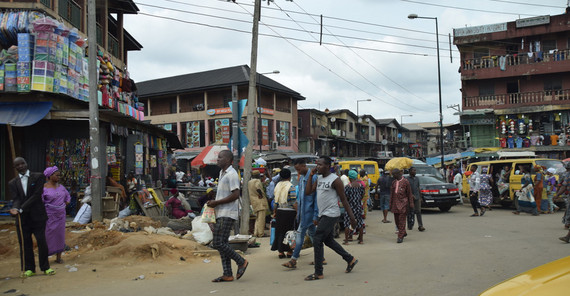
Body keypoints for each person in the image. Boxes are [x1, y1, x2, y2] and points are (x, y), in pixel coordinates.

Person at [304, 156, 358, 281]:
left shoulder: (335, 180)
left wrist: (352, 218)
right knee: (328, 241)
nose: (317, 167)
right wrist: (311, 176)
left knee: (317, 239)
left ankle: (318, 272)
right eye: (317, 164)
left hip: (332, 214)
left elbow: (344, 199)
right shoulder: (318, 178)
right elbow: (308, 192)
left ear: (328, 166)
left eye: (320, 165)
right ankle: (350, 259)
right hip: (323, 214)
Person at [8, 157, 55, 277]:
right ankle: (29, 269)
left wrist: (21, 208)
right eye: (17, 165)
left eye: (22, 163)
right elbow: (16, 199)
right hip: (23, 219)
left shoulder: (38, 177)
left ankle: (45, 267)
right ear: (15, 167)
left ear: (26, 163)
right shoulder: (13, 183)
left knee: (41, 241)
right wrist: (15, 208)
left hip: (38, 216)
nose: (20, 166)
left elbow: (36, 195)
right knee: (25, 243)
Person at [206, 150, 248, 283]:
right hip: (220, 212)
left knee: (218, 243)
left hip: (227, 213)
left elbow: (236, 194)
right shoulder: (222, 173)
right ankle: (227, 274)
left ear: (228, 160)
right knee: (222, 243)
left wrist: (216, 202)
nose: (217, 159)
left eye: (220, 157)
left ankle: (241, 261)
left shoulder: (232, 174)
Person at [282, 158, 318, 269]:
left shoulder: (313, 178)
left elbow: (316, 198)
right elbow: (300, 197)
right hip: (303, 213)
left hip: (309, 213)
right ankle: (320, 257)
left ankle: (293, 260)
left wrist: (315, 215)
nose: (298, 172)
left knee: (299, 236)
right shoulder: (302, 178)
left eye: (298, 169)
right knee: (314, 236)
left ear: (303, 166)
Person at [42, 166, 71, 264]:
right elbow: (41, 202)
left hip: (61, 215)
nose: (59, 177)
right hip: (49, 216)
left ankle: (58, 257)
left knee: (60, 235)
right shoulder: (44, 189)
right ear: (50, 176)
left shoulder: (61, 187)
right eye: (56, 175)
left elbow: (68, 197)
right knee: (48, 235)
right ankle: (45, 256)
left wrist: (63, 205)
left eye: (59, 175)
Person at [271, 168, 297, 258]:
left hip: (279, 211)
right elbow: (294, 202)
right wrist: (298, 212)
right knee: (290, 232)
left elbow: (275, 201)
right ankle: (289, 251)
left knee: (280, 232)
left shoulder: (277, 186)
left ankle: (280, 252)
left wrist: (274, 212)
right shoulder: (291, 186)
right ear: (289, 176)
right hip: (289, 213)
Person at [390, 168, 415, 243]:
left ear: (398, 174)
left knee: (402, 220)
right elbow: (391, 194)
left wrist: (411, 203)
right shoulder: (394, 182)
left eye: (393, 174)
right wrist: (390, 203)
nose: (393, 176)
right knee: (397, 221)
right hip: (395, 204)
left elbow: (409, 193)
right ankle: (403, 232)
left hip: (403, 203)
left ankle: (400, 236)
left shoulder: (405, 182)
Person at [343, 170, 365, 244]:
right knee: (360, 223)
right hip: (358, 207)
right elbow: (362, 195)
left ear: (349, 178)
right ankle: (361, 240)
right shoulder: (361, 186)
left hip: (349, 207)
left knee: (347, 223)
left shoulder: (347, 187)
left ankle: (346, 240)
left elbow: (345, 198)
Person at [248, 170, 268, 238]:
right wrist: (260, 194)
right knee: (261, 218)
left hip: (254, 202)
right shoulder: (257, 181)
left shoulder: (249, 182)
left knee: (257, 218)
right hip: (260, 201)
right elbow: (258, 188)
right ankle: (260, 233)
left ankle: (256, 232)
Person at [406, 167, 425, 232]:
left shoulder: (417, 179)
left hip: (417, 197)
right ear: (410, 171)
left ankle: (420, 225)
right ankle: (410, 225)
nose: (415, 171)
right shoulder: (407, 179)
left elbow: (418, 187)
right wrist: (411, 195)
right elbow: (407, 189)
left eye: (415, 170)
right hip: (410, 198)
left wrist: (420, 197)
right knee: (410, 212)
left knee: (418, 211)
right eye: (414, 170)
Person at [555, 162, 570, 230]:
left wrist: (557, 194)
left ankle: (567, 223)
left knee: (568, 209)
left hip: (567, 193)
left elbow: (564, 186)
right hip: (566, 193)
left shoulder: (567, 175)